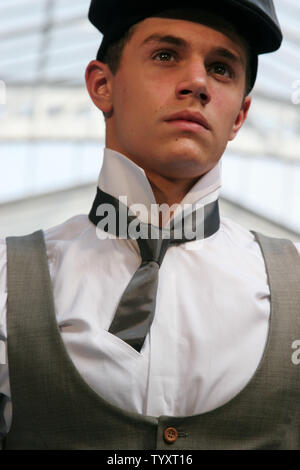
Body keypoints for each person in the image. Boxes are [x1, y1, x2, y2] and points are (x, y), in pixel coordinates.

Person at [1, 0, 300, 450]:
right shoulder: (7, 281)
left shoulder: (295, 284)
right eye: (166, 55)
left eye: (221, 68)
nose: (198, 83)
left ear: (239, 115)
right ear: (102, 85)